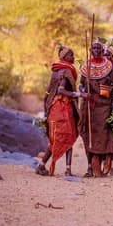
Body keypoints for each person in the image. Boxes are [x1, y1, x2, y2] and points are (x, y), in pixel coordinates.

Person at [36, 46, 81, 177]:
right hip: (63, 107)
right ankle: (67, 169)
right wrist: (79, 94)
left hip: (53, 108)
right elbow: (61, 90)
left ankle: (42, 165)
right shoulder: (66, 71)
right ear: (64, 57)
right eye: (71, 55)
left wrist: (46, 111)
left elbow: (47, 92)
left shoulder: (55, 71)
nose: (73, 57)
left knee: (57, 138)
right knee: (69, 136)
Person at [79, 40, 113, 177]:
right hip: (89, 105)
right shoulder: (85, 67)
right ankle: (90, 167)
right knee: (89, 134)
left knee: (104, 134)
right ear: (90, 50)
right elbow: (81, 85)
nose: (96, 50)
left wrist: (106, 94)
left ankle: (102, 162)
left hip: (104, 105)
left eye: (98, 48)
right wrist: (84, 91)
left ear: (102, 50)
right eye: (94, 47)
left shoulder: (109, 67)